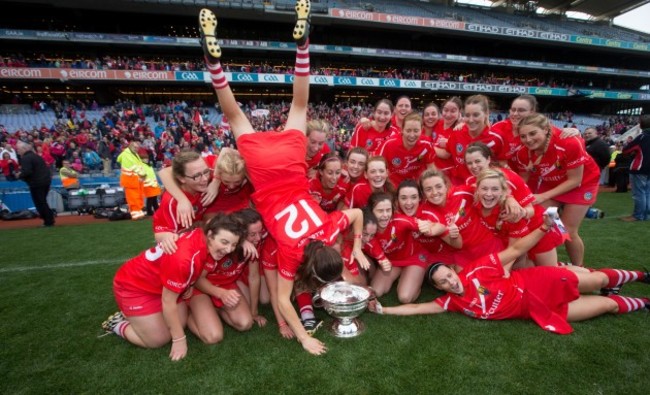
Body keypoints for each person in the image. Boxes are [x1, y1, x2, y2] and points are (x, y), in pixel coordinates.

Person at [198, 3, 368, 355]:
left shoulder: (329, 229)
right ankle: (214, 66)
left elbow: (354, 215)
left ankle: (303, 46)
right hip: (263, 171)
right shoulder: (292, 254)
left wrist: (355, 243)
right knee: (234, 114)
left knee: (300, 106)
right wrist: (304, 338)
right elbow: (282, 299)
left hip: (290, 166)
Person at [369, 214, 650, 335]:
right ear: (439, 288)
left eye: (449, 275)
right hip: (535, 310)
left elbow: (515, 250)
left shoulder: (475, 270)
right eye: (443, 281)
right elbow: (417, 308)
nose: (450, 281)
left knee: (600, 279)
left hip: (542, 282)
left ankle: (640, 274)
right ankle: (645, 303)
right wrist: (384, 311)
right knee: (608, 304)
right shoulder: (451, 303)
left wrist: (542, 228)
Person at [101, 214, 245, 361]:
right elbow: (168, 301)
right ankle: (118, 323)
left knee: (179, 322)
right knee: (157, 340)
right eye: (224, 242)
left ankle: (139, 318)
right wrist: (179, 340)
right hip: (135, 287)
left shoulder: (204, 239)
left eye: (233, 245)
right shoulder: (185, 258)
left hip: (161, 286)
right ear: (210, 234)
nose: (228, 250)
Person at [512, 114, 600, 267]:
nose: (528, 139)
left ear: (546, 129)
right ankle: (540, 262)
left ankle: (579, 269)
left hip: (582, 184)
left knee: (568, 231)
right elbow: (523, 180)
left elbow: (575, 180)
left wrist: (543, 196)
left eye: (533, 133)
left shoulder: (569, 142)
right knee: (536, 221)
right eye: (523, 136)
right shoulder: (523, 152)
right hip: (552, 183)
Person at [436, 94, 506, 185]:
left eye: (476, 115)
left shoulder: (497, 138)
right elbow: (446, 153)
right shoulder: (456, 133)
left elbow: (503, 165)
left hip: (485, 188)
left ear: (486, 113)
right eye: (467, 115)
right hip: (459, 186)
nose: (471, 120)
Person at [153, 151, 211, 254]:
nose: (205, 179)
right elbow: (162, 235)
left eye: (206, 171)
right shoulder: (172, 202)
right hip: (184, 247)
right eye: (196, 176)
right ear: (181, 178)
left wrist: (216, 182)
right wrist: (167, 237)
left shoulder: (204, 184)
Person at [376, 112, 436, 187]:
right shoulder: (389, 144)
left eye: (416, 131)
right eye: (408, 130)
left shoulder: (426, 144)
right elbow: (377, 165)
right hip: (393, 186)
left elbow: (431, 168)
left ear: (422, 130)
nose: (412, 135)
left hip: (417, 185)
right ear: (402, 130)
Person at [16, 141, 55, 227]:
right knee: (42, 201)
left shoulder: (26, 158)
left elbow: (27, 171)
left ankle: (48, 220)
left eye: (19, 149)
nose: (18, 151)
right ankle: (49, 218)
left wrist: (19, 175)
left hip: (36, 183)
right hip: (45, 181)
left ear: (24, 149)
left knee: (39, 202)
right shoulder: (37, 156)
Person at [621, 114, 650, 221]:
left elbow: (626, 150)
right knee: (647, 192)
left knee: (639, 193)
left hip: (639, 168)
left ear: (641, 125)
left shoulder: (642, 137)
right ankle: (646, 215)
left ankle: (638, 215)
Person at [117, 141, 146, 220]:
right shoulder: (127, 155)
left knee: (138, 196)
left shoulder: (133, 154)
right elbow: (134, 167)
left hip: (135, 179)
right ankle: (136, 215)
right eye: (135, 147)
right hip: (130, 180)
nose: (137, 149)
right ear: (130, 146)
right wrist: (143, 174)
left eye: (138, 147)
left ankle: (139, 212)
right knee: (133, 198)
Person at [139, 149, 161, 216]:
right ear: (142, 159)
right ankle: (150, 212)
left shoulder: (149, 165)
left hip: (153, 184)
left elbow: (153, 175)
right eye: (145, 159)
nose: (146, 160)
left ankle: (156, 210)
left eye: (147, 158)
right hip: (148, 184)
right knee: (150, 199)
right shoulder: (142, 166)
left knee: (154, 198)